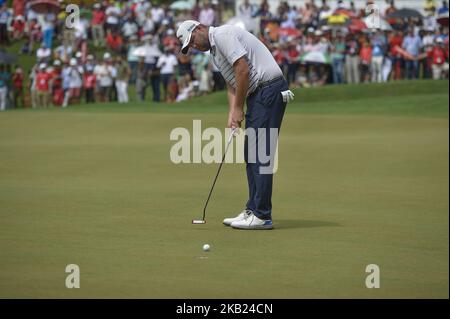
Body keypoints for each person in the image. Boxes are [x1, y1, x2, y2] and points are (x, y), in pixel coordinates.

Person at [177, 20, 294, 230]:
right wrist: (233, 113)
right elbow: (232, 82)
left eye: (192, 40)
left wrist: (239, 108)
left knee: (260, 155)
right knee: (251, 154)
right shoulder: (214, 51)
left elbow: (243, 70)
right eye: (190, 45)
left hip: (268, 90)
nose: (193, 45)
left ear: (199, 28)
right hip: (259, 95)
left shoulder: (223, 36)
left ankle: (261, 214)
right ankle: (253, 209)